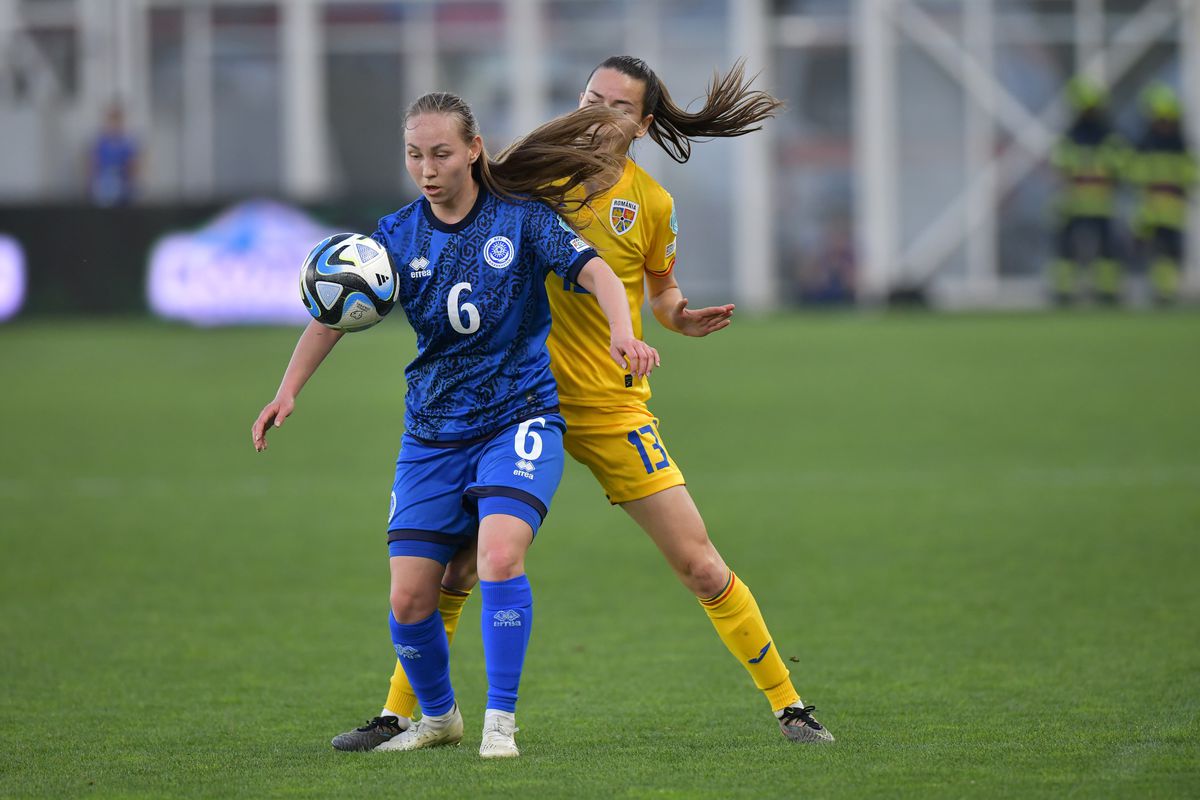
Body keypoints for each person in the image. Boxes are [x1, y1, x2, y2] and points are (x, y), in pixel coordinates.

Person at [333, 58, 833, 753]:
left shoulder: (650, 204)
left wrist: (678, 316)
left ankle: (790, 705)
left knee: (699, 563)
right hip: (507, 404)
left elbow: (657, 291)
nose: (598, 115)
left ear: (644, 125)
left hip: (607, 405)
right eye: (590, 98)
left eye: (618, 107)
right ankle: (400, 714)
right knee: (459, 568)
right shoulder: (523, 175)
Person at [252, 92, 658, 759]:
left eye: (441, 153)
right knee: (411, 601)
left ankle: (502, 722)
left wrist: (621, 329)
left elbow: (598, 272)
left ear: (473, 150)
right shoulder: (396, 234)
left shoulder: (523, 220)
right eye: (415, 155)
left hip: (518, 421)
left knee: (500, 556)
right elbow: (336, 311)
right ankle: (439, 719)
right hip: (432, 434)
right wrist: (287, 390)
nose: (427, 168)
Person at [1047, 77, 1130, 305]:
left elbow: (1122, 166)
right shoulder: (1076, 137)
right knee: (1067, 250)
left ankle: (1107, 290)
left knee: (1106, 250)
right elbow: (1060, 165)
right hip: (1076, 203)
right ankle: (1064, 290)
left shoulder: (1104, 138)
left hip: (1099, 204)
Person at [1128, 82, 1197, 304]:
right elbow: (1134, 174)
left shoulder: (1175, 145)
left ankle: (1165, 291)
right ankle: (1161, 290)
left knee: (1169, 253)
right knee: (1157, 253)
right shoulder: (1148, 144)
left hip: (1171, 211)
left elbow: (1192, 174)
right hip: (1151, 211)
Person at [88, 102, 139, 206]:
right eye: (111, 120)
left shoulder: (127, 144)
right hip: (103, 186)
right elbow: (93, 165)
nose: (114, 125)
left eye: (117, 121)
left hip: (123, 187)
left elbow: (132, 167)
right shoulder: (100, 143)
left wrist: (132, 184)